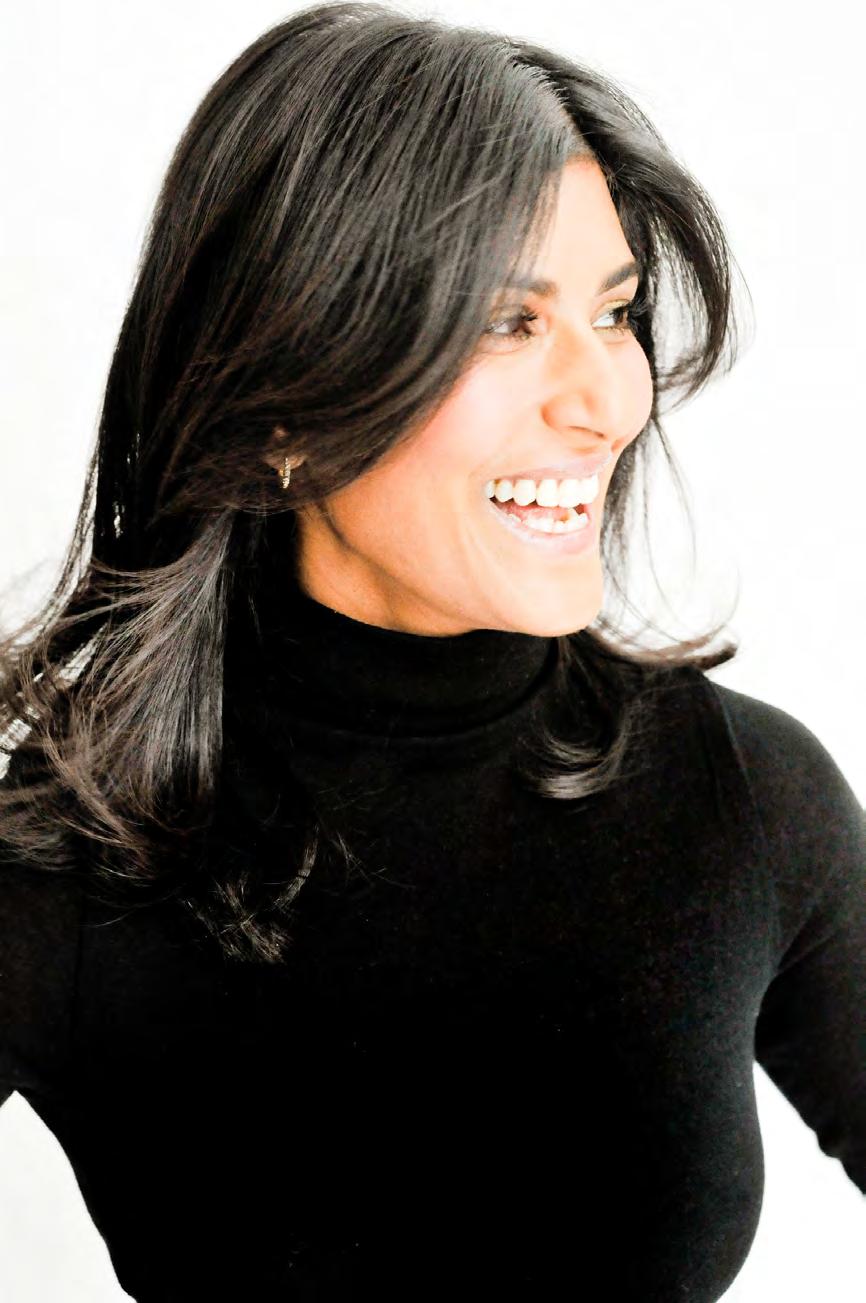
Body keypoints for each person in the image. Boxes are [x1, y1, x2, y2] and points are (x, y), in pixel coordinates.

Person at [1, 3, 863, 1299]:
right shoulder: (76, 866)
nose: (607, 400)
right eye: (506, 323)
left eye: (615, 312)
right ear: (284, 405)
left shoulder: (745, 796)